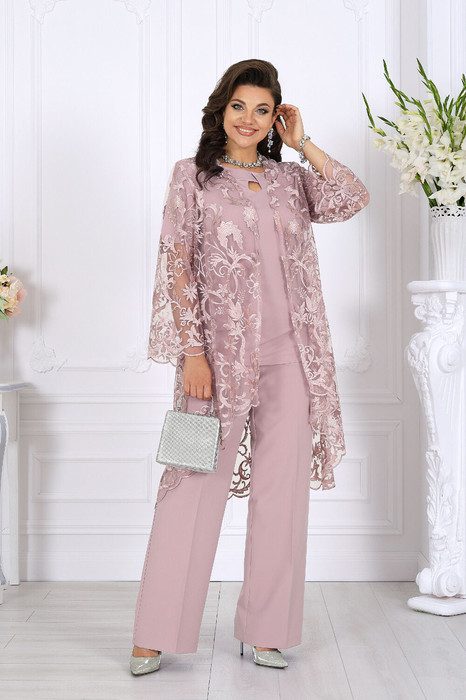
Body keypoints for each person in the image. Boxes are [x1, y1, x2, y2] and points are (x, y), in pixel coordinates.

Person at [130, 59, 369, 675]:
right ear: (221, 109)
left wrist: (303, 142)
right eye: (240, 106)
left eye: (263, 110)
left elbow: (352, 196)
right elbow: (176, 265)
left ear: (274, 118)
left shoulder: (289, 181)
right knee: (190, 485)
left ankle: (267, 630)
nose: (249, 119)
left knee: (282, 495)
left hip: (294, 358)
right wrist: (192, 351)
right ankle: (155, 631)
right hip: (216, 359)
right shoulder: (192, 178)